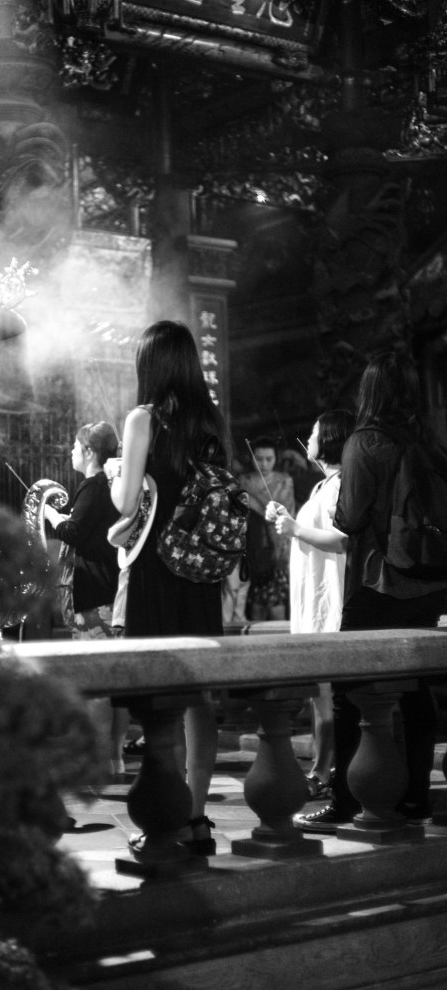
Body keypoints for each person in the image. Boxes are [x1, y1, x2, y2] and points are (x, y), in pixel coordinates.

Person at [295, 351, 447, 833]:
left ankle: (344, 798)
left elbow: (350, 519)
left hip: (379, 580)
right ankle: (415, 798)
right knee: (417, 690)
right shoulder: (426, 438)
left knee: (348, 690)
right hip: (429, 579)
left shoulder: (366, 441)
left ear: (370, 391)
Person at [106, 319, 229, 856]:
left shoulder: (143, 420)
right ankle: (196, 817)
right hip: (201, 577)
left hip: (156, 573)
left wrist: (115, 474)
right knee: (200, 700)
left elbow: (126, 504)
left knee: (162, 700)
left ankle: (164, 818)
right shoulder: (209, 422)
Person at [269, 410, 354, 799]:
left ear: (332, 438)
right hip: (312, 601)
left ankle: (325, 773)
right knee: (320, 698)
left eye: (316, 432)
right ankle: (324, 770)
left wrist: (294, 527)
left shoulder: (340, 486)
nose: (310, 437)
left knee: (328, 698)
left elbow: (340, 538)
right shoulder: (324, 485)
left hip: (328, 602)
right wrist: (289, 520)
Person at [44, 421, 130, 778]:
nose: (71, 453)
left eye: (75, 447)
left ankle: (97, 761)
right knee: (117, 685)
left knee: (96, 685)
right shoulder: (111, 486)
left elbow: (76, 532)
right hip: (111, 593)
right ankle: (114, 757)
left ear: (90, 452)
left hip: (94, 596)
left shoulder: (93, 486)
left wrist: (50, 514)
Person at [240, 435, 295, 621]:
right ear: (252, 458)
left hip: (278, 546)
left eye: (269, 459)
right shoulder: (244, 480)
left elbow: (282, 513)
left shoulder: (284, 480)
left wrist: (255, 502)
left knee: (276, 601)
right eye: (259, 459)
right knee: (254, 600)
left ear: (276, 459)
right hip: (253, 546)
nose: (264, 464)